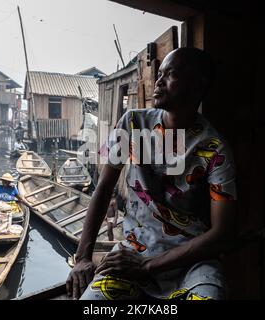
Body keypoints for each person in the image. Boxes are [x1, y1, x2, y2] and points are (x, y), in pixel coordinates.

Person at [66, 47, 237, 300]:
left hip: (192, 262)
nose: (158, 82)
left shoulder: (214, 148)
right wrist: (82, 258)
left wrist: (147, 267)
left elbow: (222, 234)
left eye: (171, 74)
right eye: (159, 74)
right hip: (133, 252)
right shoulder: (133, 123)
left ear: (198, 85)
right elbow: (103, 189)